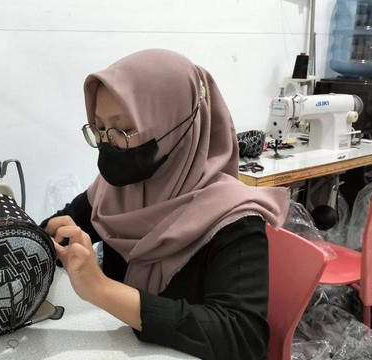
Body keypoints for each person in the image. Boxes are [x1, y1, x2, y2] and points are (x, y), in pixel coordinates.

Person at [41, 49, 289, 360]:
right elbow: (62, 226)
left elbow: (240, 335)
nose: (109, 143)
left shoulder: (233, 218)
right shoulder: (116, 189)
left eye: (125, 130)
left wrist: (102, 289)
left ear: (178, 126)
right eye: (100, 129)